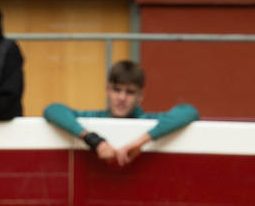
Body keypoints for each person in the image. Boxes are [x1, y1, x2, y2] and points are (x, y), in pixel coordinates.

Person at [43, 60, 198, 167]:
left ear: (140, 96)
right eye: (117, 90)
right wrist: (94, 141)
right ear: (107, 90)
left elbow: (189, 112)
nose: (122, 98)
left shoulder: (147, 120)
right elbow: (52, 110)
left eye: (130, 92)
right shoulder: (94, 118)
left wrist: (139, 142)